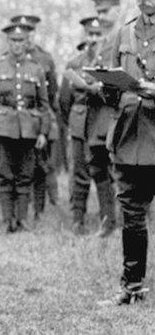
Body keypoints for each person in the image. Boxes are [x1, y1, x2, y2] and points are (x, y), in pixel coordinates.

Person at [100, 0, 155, 305]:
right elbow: (107, 88)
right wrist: (114, 86)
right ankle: (132, 286)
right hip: (132, 137)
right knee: (132, 214)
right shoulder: (123, 34)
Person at [0, 23, 49, 233]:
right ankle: (6, 219)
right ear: (8, 42)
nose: (17, 45)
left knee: (25, 175)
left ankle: (22, 220)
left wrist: (43, 132)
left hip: (28, 130)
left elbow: (44, 105)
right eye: (13, 41)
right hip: (3, 129)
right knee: (4, 174)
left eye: (21, 41)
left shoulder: (36, 70)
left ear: (27, 42)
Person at [60, 16, 116, 235]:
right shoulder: (74, 64)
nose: (93, 39)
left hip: (101, 125)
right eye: (90, 35)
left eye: (98, 35)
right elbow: (64, 100)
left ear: (104, 36)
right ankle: (77, 220)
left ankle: (108, 222)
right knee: (79, 173)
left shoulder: (110, 64)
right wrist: (73, 121)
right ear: (84, 36)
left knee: (102, 173)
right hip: (80, 124)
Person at [9, 14, 59, 218]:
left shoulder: (45, 59)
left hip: (40, 119)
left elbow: (52, 91)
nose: (25, 38)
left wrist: (45, 120)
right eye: (21, 34)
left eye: (29, 32)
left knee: (40, 166)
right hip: (18, 122)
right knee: (18, 166)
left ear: (33, 33)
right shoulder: (7, 59)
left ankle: (39, 209)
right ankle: (20, 209)